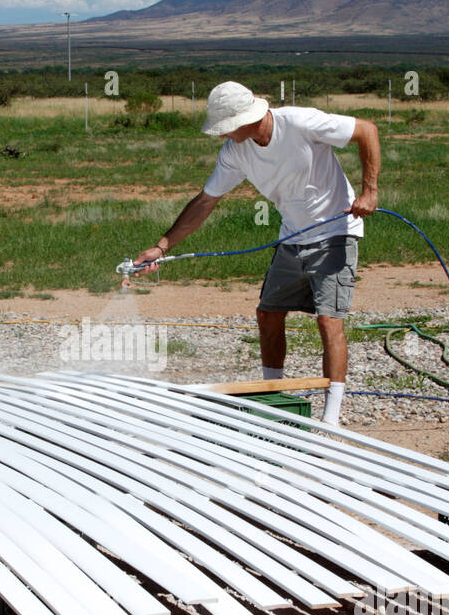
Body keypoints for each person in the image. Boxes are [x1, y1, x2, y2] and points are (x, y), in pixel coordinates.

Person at [134, 81, 380, 425]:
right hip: (292, 235)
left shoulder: (300, 122)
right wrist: (161, 246)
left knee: (328, 320)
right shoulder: (236, 151)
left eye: (226, 128)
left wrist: (369, 191)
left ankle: (331, 418)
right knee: (268, 313)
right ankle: (272, 396)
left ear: (247, 119)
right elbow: (205, 201)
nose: (222, 136)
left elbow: (366, 131)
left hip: (337, 230)